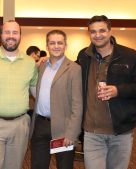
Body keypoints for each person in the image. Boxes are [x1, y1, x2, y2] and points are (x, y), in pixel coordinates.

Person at [76, 15, 136, 169]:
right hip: (92, 133)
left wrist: (118, 90)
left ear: (110, 31)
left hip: (121, 132)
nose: (98, 35)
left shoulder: (130, 56)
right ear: (89, 33)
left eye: (102, 30)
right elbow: (72, 74)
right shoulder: (84, 55)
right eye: (93, 31)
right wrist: (52, 60)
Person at [0, 20, 38, 169]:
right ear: (1, 35)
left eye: (15, 32)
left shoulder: (30, 63)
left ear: (20, 36)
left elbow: (36, 92)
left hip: (20, 126)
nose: (11, 36)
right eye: (7, 32)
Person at [30, 30, 83, 169]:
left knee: (63, 166)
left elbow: (77, 105)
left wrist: (72, 134)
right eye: (52, 43)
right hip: (40, 125)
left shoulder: (74, 69)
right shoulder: (41, 66)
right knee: (38, 165)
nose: (56, 46)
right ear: (47, 46)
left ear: (66, 45)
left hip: (63, 128)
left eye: (60, 43)